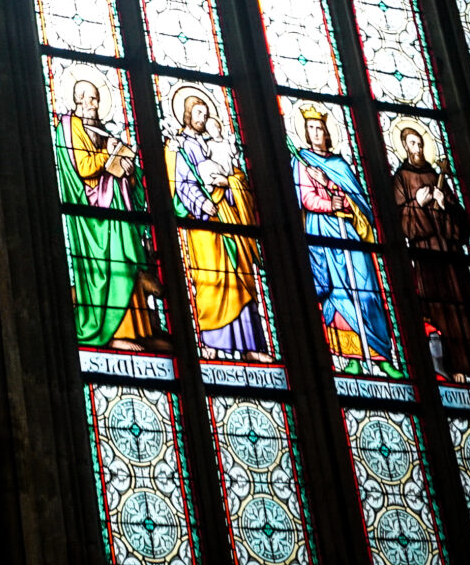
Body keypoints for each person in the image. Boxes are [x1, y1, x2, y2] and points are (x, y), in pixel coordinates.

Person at [52, 77, 162, 350]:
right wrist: (108, 157)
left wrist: (127, 168)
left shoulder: (99, 128)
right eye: (88, 98)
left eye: (96, 98)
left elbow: (114, 172)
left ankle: (137, 329)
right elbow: (84, 168)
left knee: (125, 264)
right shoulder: (68, 127)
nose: (93, 104)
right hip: (91, 213)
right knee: (111, 265)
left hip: (113, 206)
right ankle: (112, 332)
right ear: (77, 100)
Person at [287, 104, 397, 372]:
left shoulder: (339, 165)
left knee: (365, 287)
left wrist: (339, 196)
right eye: (311, 128)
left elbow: (361, 204)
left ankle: (381, 354)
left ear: (327, 133)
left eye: (320, 128)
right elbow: (305, 199)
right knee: (336, 292)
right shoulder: (303, 162)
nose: (316, 133)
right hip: (321, 232)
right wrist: (330, 204)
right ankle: (351, 359)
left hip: (349, 232)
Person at [165, 90, 268, 359]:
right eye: (198, 112)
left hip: (227, 216)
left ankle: (250, 346)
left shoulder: (215, 144)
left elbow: (236, 175)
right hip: (203, 222)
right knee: (211, 277)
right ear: (187, 115)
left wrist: (230, 184)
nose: (203, 117)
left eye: (205, 112)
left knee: (241, 276)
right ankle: (212, 342)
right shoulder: (181, 146)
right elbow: (181, 183)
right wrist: (202, 203)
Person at [390, 122, 470, 380]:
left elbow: (462, 227)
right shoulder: (400, 179)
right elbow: (401, 223)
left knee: (466, 310)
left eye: (420, 143)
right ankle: (451, 367)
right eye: (412, 143)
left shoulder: (437, 178)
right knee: (438, 310)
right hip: (426, 258)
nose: (418, 147)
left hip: (452, 257)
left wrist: (444, 205)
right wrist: (418, 205)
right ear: (404, 147)